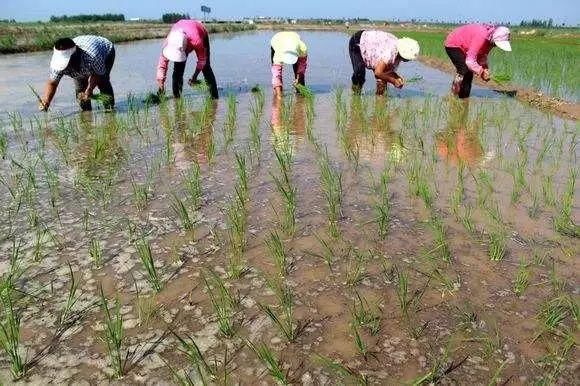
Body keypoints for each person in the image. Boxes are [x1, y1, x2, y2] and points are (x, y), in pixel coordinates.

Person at [39, 35, 115, 111]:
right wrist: (46, 101)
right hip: (84, 57)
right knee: (80, 89)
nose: (65, 66)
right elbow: (53, 83)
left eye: (67, 61)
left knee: (103, 82)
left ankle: (109, 109)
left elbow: (97, 74)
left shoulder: (93, 57)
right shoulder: (56, 62)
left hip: (106, 51)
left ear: (74, 55)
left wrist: (89, 89)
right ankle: (86, 113)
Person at [444, 24, 512, 98]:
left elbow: (482, 56)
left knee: (469, 74)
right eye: (496, 44)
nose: (496, 46)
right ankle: (453, 96)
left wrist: (485, 68)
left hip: (465, 47)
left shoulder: (490, 41)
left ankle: (464, 98)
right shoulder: (482, 36)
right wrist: (481, 72)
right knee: (464, 69)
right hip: (454, 43)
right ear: (495, 38)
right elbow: (469, 61)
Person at [156, 19, 219, 99]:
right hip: (181, 38)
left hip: (200, 32)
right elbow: (162, 66)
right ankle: (177, 98)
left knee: (206, 67)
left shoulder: (197, 41)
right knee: (177, 71)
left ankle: (214, 97)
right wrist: (161, 85)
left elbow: (202, 61)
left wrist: (194, 77)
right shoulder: (168, 43)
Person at [349, 30, 420, 95]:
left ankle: (380, 99)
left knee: (383, 79)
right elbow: (378, 73)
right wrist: (394, 81)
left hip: (375, 49)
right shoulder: (390, 52)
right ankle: (355, 95)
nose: (408, 60)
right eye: (408, 59)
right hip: (358, 42)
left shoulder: (397, 54)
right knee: (359, 72)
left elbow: (387, 72)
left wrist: (396, 77)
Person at [270, 31, 308, 98]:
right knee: (277, 73)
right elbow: (276, 75)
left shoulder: (302, 48)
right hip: (277, 39)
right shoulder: (278, 54)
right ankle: (278, 91)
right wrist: (279, 97)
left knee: (299, 75)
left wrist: (298, 79)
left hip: (294, 38)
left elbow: (302, 67)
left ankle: (300, 92)